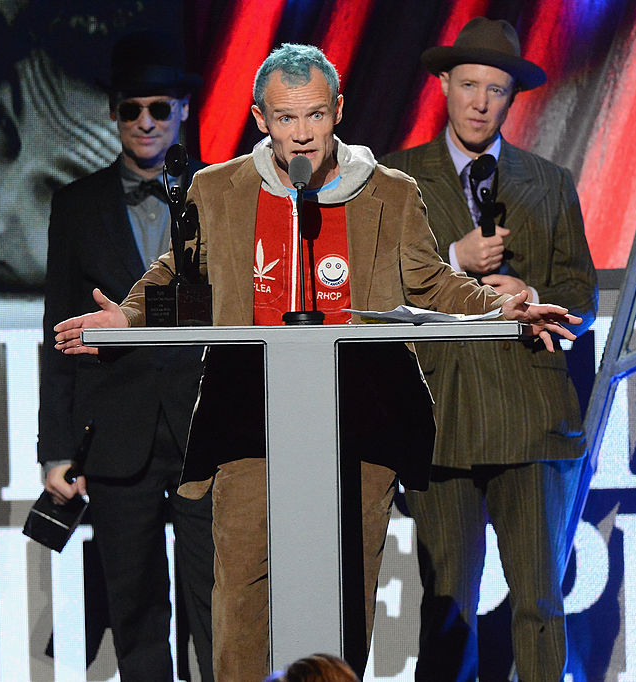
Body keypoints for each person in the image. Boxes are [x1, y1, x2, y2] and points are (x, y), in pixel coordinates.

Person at [53, 43, 579, 681]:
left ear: (338, 111)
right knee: (241, 589)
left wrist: (504, 311)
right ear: (258, 119)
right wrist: (127, 318)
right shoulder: (217, 191)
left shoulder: (388, 192)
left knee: (345, 595)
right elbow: (177, 276)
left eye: (313, 116)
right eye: (284, 118)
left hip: (360, 415)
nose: (301, 135)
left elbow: (433, 284)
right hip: (249, 414)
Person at [380, 18, 597, 681]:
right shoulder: (396, 178)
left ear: (511, 98)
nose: (479, 102)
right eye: (469, 84)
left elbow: (581, 295)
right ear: (443, 84)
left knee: (538, 600)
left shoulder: (548, 181)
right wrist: (453, 261)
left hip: (531, 416)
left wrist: (533, 293)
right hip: (440, 419)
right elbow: (366, 289)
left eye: (495, 90)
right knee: (449, 608)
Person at [37, 29, 213, 682]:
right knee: (134, 610)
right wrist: (56, 449)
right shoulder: (76, 205)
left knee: (216, 602)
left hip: (206, 427)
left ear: (182, 112)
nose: (145, 122)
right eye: (131, 109)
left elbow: (232, 309)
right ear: (113, 112)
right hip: (114, 431)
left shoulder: (221, 193)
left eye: (159, 108)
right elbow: (58, 335)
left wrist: (134, 322)